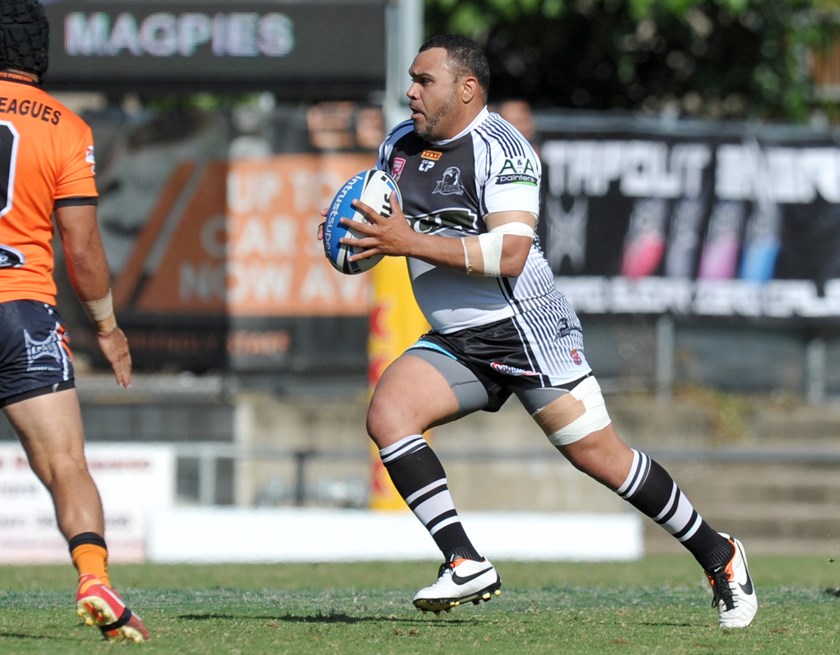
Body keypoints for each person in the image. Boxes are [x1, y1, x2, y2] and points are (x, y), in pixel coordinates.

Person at [319, 33, 757, 629]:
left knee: (601, 458)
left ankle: (719, 553)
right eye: (413, 81)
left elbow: (511, 255)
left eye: (425, 81)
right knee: (388, 415)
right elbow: (383, 222)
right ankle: (465, 560)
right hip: (457, 337)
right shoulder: (397, 145)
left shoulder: (505, 150)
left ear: (467, 89)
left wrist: (404, 242)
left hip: (525, 329)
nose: (410, 91)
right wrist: (358, 237)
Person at [0, 1, 149, 642]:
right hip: (25, 311)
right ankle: (93, 577)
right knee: (66, 465)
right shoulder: (65, 126)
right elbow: (82, 249)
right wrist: (108, 329)